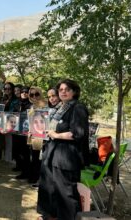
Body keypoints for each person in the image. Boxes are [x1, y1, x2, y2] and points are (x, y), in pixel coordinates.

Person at [37, 79, 89, 220]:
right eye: (61, 89)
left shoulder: (77, 107)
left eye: (67, 89)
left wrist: (57, 135)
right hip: (52, 154)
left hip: (66, 157)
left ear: (74, 91)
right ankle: (50, 216)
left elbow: (78, 133)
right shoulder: (60, 107)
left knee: (66, 193)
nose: (63, 92)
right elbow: (50, 129)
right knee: (50, 188)